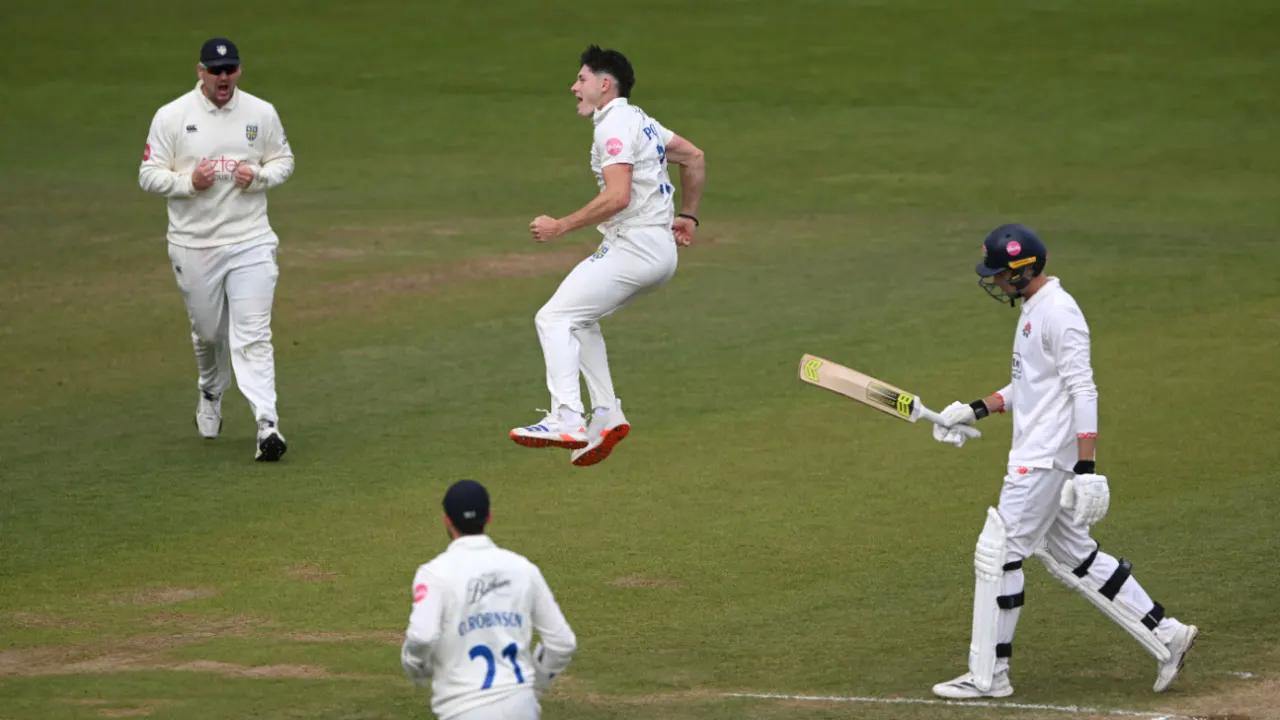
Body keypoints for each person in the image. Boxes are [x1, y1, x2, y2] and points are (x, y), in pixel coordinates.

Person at [929, 224, 1198, 699]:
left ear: (1023, 270)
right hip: (1041, 454)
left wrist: (1088, 470)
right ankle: (1167, 633)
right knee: (1073, 553)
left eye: (998, 274)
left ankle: (989, 676)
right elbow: (1031, 385)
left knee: (1000, 554)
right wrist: (974, 408)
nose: (992, 282)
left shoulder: (1061, 314)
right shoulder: (1036, 309)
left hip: (1043, 460)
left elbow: (1082, 388)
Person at [510, 45, 706, 467]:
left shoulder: (613, 123)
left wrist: (561, 225)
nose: (574, 87)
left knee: (554, 318)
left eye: (581, 80)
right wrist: (687, 215)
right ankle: (606, 413)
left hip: (634, 247)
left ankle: (566, 417)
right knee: (581, 321)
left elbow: (617, 196)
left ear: (604, 84)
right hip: (659, 251)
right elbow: (693, 157)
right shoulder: (642, 120)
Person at [139, 37, 294, 461]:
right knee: (209, 331)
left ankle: (267, 425)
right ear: (200, 72)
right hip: (195, 243)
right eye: (215, 70)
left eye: (229, 70)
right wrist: (190, 183)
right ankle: (210, 388)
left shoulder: (260, 113)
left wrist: (258, 176)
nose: (223, 78)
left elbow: (283, 160)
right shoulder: (172, 117)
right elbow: (148, 175)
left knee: (253, 334)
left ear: (239, 71)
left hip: (251, 240)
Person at [402, 480, 577, 720]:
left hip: (463, 708)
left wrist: (415, 665)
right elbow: (562, 642)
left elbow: (422, 636)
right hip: (522, 706)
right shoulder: (523, 569)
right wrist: (534, 684)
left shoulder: (434, 574)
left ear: (447, 520)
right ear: (489, 517)